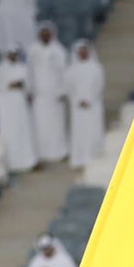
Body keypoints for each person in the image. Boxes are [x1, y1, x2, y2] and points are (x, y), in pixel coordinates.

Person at [27, 23, 69, 164]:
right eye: (43, 33)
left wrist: (63, 90)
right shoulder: (33, 51)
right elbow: (29, 72)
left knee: (56, 124)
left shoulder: (59, 51)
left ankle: (59, 152)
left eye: (47, 33)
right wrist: (30, 90)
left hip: (55, 95)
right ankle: (41, 153)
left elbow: (65, 72)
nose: (45, 36)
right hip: (39, 95)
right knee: (40, 125)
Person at [0, 47, 38, 174]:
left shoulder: (23, 68)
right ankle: (9, 163)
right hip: (6, 108)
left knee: (23, 132)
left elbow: (30, 86)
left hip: (20, 106)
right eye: (10, 54)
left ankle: (27, 161)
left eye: (15, 54)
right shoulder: (0, 69)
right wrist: (9, 85)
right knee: (8, 133)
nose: (13, 56)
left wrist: (23, 86)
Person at [64, 39, 104, 168]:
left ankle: (93, 157)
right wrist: (78, 100)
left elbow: (99, 85)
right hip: (77, 107)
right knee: (79, 132)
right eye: (80, 51)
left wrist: (89, 100)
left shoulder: (96, 68)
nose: (82, 53)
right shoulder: (71, 70)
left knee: (93, 131)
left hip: (93, 106)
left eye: (84, 50)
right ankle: (79, 158)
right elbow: (69, 88)